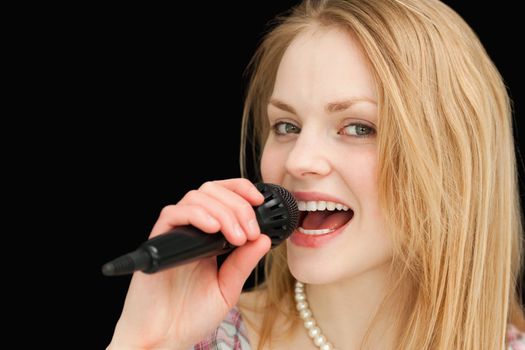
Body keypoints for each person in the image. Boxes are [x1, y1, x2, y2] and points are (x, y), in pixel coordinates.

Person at [107, 0, 525, 349]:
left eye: (359, 127)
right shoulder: (204, 339)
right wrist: (144, 343)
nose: (299, 160)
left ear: (453, 160)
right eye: (286, 126)